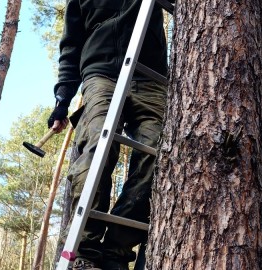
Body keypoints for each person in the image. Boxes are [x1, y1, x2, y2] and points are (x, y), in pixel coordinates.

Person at [47, 0, 173, 269]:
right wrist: (62, 99)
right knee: (98, 149)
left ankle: (117, 251)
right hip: (101, 75)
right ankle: (85, 252)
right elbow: (71, 46)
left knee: (159, 157)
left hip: (150, 77)